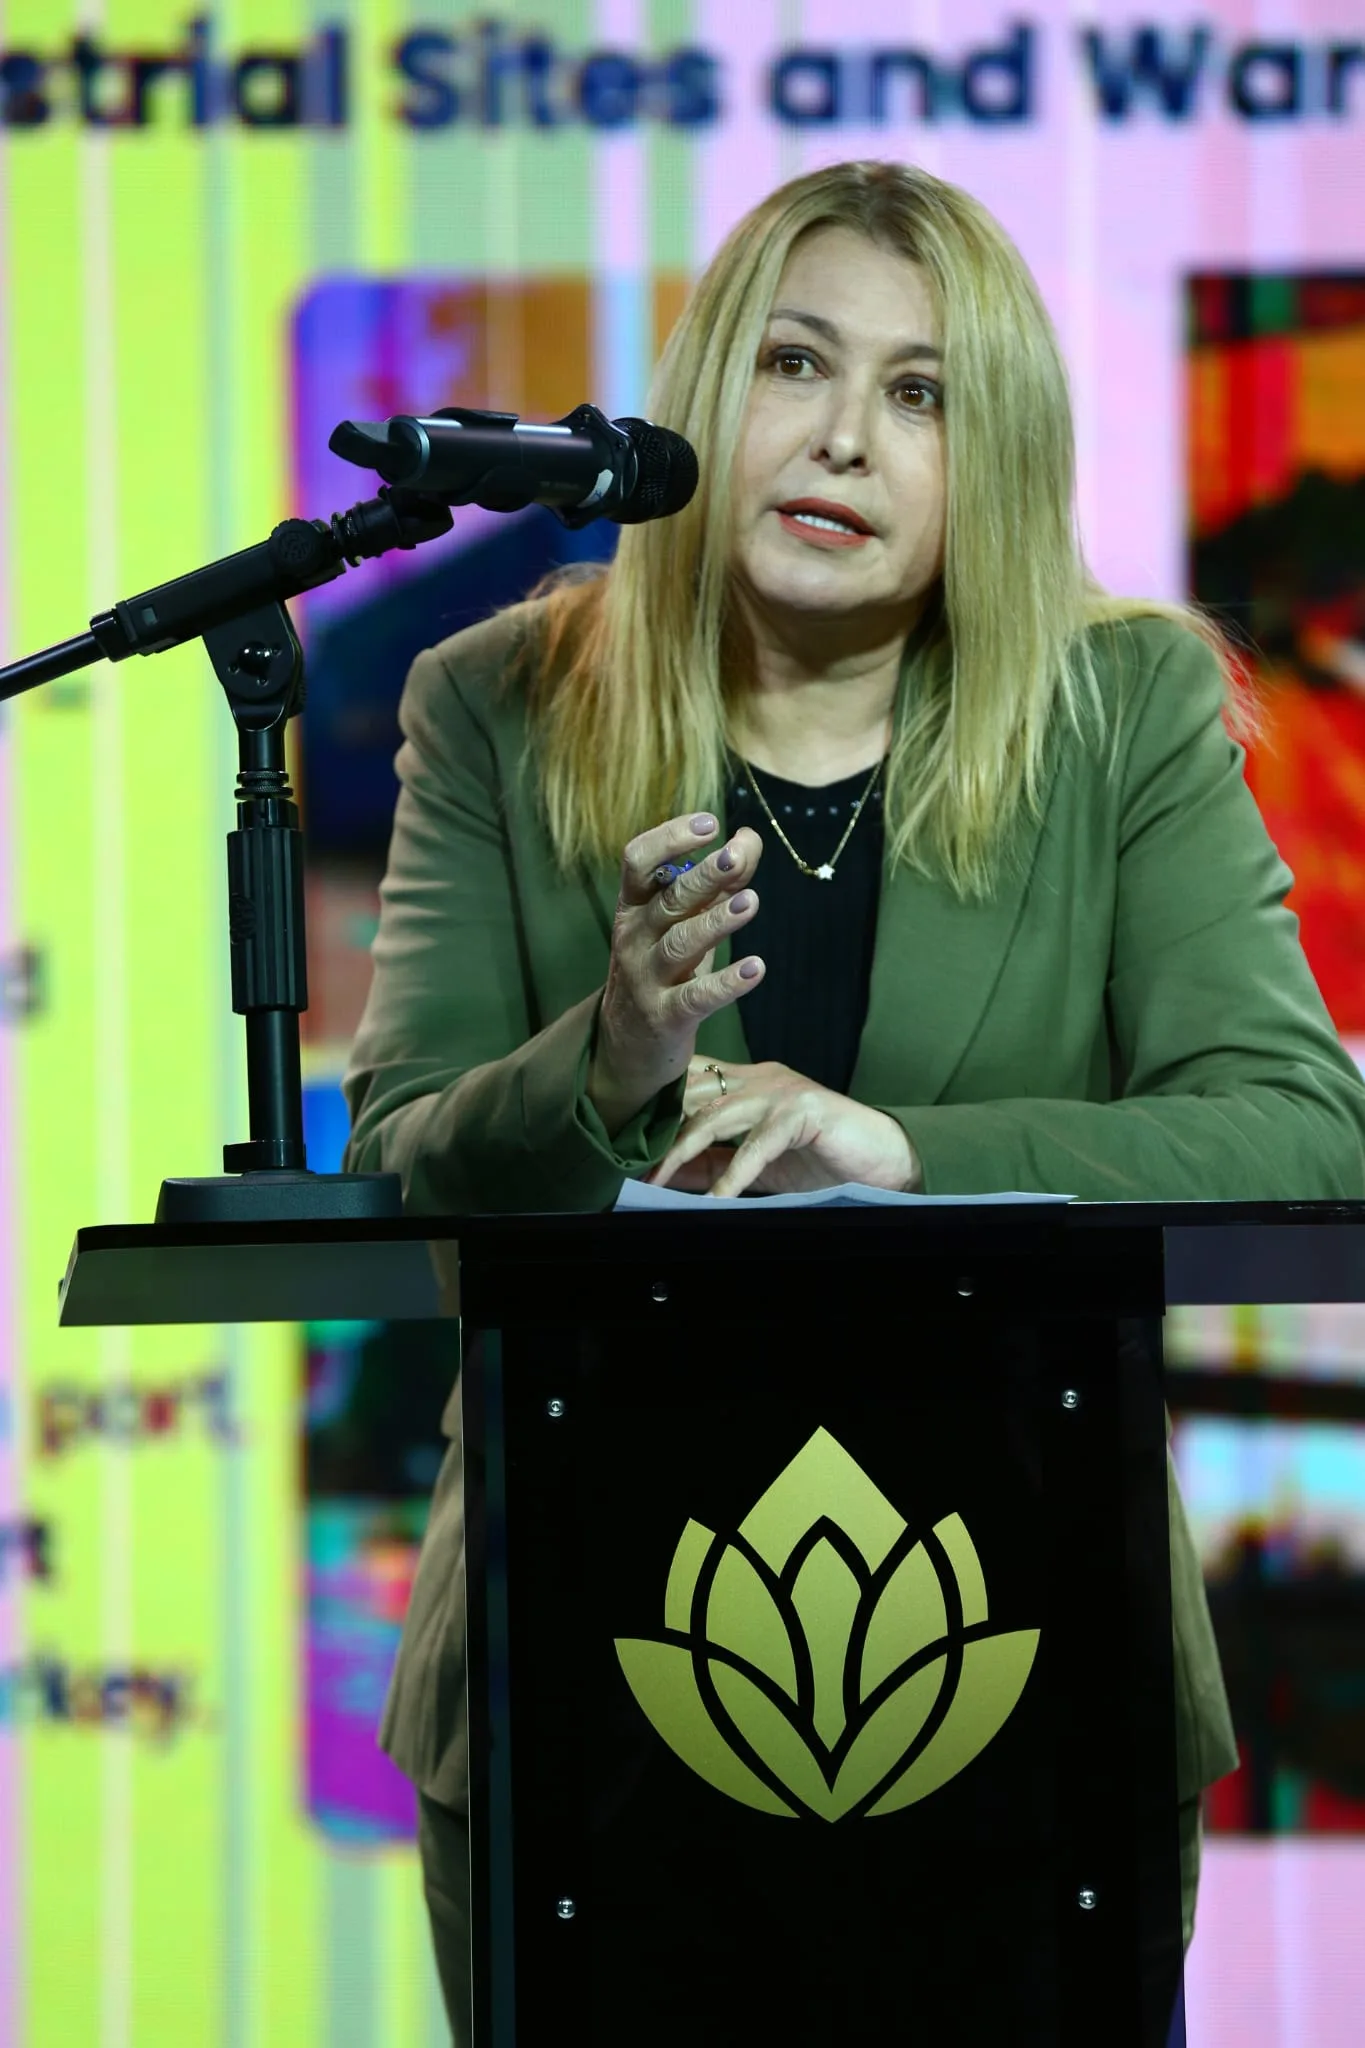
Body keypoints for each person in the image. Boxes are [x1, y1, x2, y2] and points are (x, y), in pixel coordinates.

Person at [342, 160, 1365, 2042]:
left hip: (1034, 1653)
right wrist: (611, 1058)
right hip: (581, 1663)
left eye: (923, 394)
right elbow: (404, 1151)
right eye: (796, 363)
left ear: (1000, 459)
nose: (843, 439)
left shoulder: (1120, 709)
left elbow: (1302, 1124)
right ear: (706, 393)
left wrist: (906, 1154)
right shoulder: (495, 700)